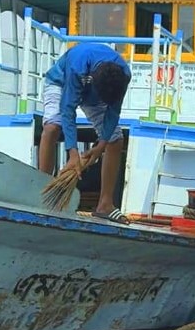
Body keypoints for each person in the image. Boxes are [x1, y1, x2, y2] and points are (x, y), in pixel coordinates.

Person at [37, 42, 132, 223]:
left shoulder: (123, 75)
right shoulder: (78, 65)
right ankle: (42, 193)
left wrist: (101, 145)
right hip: (60, 83)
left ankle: (105, 204)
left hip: (96, 94)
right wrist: (73, 153)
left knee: (116, 140)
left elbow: (113, 112)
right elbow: (68, 109)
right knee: (52, 128)